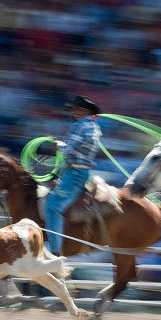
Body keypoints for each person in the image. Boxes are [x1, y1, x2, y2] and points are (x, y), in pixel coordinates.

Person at [45, 95, 103, 255]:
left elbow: (69, 149)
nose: (74, 113)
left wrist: (57, 146)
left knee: (52, 206)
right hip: (80, 171)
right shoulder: (93, 127)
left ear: (84, 111)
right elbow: (76, 147)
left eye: (76, 109)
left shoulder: (81, 125)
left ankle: (54, 251)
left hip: (74, 173)